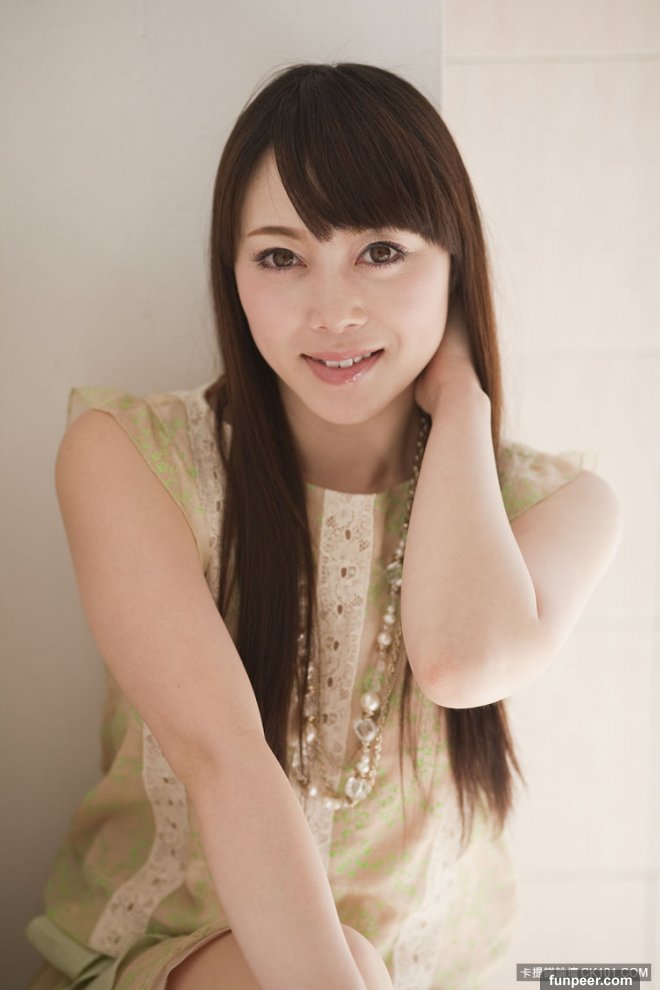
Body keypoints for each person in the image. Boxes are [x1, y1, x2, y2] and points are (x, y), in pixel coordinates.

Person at [25, 62, 621, 990]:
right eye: (280, 257)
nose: (333, 311)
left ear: (454, 262)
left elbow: (459, 662)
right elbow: (220, 758)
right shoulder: (133, 459)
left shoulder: (558, 505)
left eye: (381, 251)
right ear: (231, 274)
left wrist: (462, 403)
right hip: (176, 953)